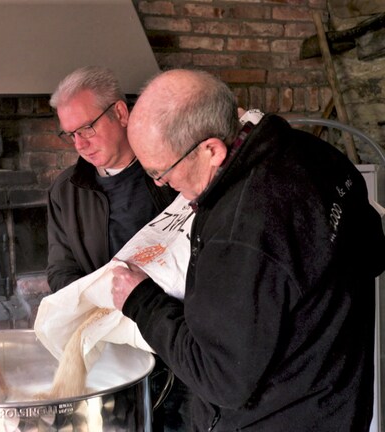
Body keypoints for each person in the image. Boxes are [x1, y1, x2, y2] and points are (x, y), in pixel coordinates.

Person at [112, 68, 385, 431]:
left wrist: (140, 301)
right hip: (339, 402)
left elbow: (221, 378)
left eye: (162, 172)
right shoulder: (316, 152)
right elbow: (373, 252)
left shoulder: (241, 232)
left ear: (212, 149)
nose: (163, 184)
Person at [45, 66, 185, 432]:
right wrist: (101, 301)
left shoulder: (172, 172)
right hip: (112, 351)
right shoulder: (66, 190)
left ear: (120, 114)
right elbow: (61, 270)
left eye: (87, 128)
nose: (80, 143)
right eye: (70, 133)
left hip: (177, 342)